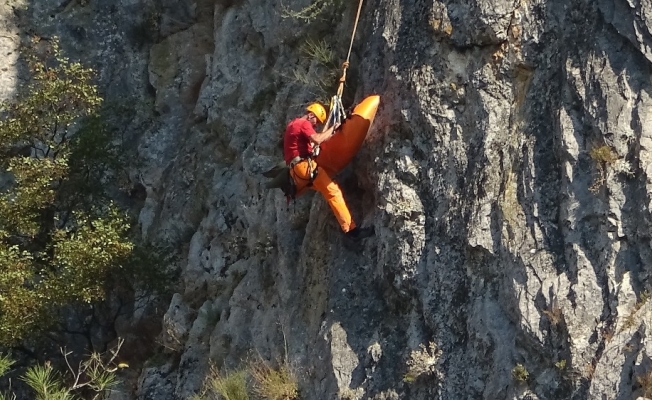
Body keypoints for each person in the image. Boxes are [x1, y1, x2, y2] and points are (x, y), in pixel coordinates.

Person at [284, 102, 374, 240]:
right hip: (305, 168)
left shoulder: (292, 124)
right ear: (311, 115)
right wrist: (333, 129)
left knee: (327, 189)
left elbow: (306, 146)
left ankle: (349, 229)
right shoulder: (304, 123)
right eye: (316, 121)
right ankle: (352, 231)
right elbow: (318, 139)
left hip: (296, 173)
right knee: (334, 193)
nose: (315, 125)